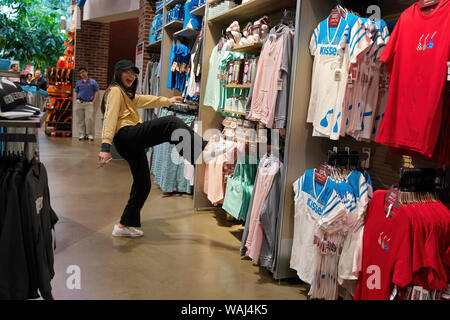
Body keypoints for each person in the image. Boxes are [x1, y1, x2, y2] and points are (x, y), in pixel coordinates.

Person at [98, 60, 228, 238]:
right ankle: (204, 150)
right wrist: (105, 146)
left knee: (143, 183)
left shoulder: (125, 94)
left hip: (128, 140)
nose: (130, 76)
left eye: (133, 73)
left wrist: (167, 100)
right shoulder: (114, 91)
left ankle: (124, 225)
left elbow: (143, 99)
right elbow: (110, 117)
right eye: (126, 72)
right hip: (126, 135)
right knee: (171, 123)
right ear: (118, 73)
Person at [74, 67, 99, 141]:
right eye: (80, 73)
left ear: (87, 72)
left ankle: (89, 134)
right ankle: (82, 134)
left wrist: (93, 101)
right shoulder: (78, 82)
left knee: (89, 119)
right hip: (79, 102)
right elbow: (76, 91)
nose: (82, 74)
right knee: (80, 119)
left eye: (83, 72)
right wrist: (76, 100)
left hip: (89, 103)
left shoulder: (93, 82)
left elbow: (96, 91)